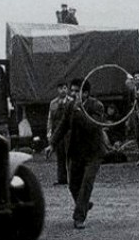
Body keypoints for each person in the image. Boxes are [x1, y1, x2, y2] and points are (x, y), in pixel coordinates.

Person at [46, 80, 107, 229]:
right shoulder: (69, 106)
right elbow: (62, 126)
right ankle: (84, 203)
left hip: (94, 152)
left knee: (87, 183)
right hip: (77, 152)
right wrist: (52, 144)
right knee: (73, 184)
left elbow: (93, 126)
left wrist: (79, 112)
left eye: (76, 91)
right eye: (72, 91)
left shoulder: (96, 106)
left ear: (85, 93)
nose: (72, 94)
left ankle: (79, 217)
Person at [47, 82, 74, 185]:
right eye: (60, 88)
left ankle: (71, 178)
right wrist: (49, 134)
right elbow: (50, 120)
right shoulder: (53, 103)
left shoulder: (72, 102)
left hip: (69, 133)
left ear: (67, 89)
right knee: (60, 156)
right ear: (57, 90)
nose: (63, 90)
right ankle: (61, 179)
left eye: (65, 88)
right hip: (58, 133)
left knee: (70, 156)